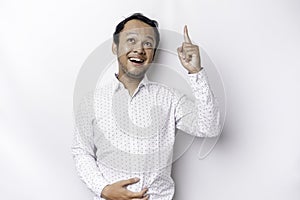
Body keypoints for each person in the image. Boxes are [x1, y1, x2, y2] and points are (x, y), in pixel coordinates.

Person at [72, 13, 221, 200]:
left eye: (148, 43)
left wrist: (195, 71)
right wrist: (104, 189)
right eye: (131, 40)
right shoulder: (92, 101)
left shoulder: (170, 98)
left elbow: (210, 127)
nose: (140, 49)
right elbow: (81, 151)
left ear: (154, 54)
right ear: (115, 47)